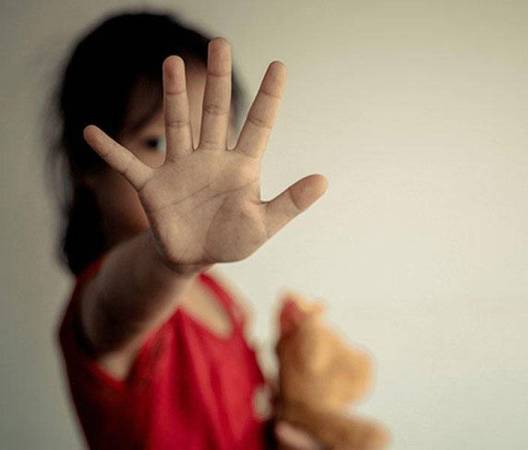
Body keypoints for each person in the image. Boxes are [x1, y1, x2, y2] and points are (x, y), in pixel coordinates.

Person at [49, 11, 328, 450]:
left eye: (210, 142)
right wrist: (170, 263)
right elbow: (119, 306)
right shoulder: (104, 304)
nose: (194, 172)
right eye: (158, 142)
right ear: (85, 164)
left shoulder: (219, 296)